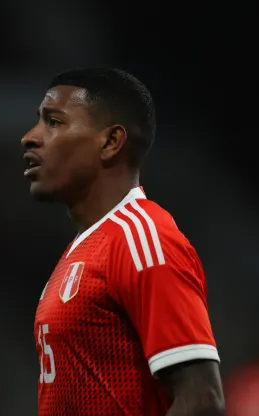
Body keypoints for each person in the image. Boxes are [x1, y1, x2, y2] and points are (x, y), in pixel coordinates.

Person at [22, 68, 225, 416]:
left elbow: (202, 399)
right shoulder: (84, 249)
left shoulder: (143, 237)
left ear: (111, 142)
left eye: (53, 121)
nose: (30, 137)